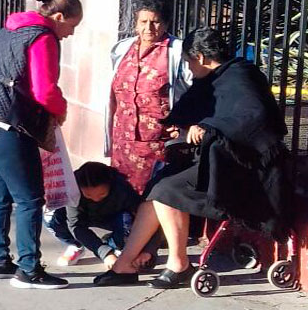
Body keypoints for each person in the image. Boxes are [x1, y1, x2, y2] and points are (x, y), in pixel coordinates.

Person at [94, 28, 294, 289]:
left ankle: (179, 265)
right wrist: (188, 126)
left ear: (199, 57)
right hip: (218, 159)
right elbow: (191, 114)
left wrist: (209, 127)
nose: (188, 68)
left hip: (248, 167)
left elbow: (251, 119)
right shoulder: (212, 79)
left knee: (167, 190)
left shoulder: (240, 76)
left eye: (188, 62)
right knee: (157, 186)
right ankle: (124, 265)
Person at [0, 0, 82, 289]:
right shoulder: (43, 37)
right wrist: (60, 110)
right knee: (29, 199)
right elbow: (44, 90)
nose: (71, 34)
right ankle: (29, 270)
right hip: (3, 124)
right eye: (72, 26)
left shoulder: (11, 27)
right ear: (60, 16)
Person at [106, 0, 192, 194]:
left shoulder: (177, 52)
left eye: (155, 22)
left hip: (156, 140)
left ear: (166, 24)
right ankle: (127, 225)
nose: (148, 28)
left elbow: (192, 89)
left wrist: (183, 123)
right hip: (124, 138)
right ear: (136, 23)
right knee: (122, 191)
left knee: (153, 192)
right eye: (143, 22)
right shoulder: (123, 49)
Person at [44, 162, 159, 269]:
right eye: (88, 195)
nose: (95, 199)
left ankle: (115, 244)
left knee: (127, 221)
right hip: (83, 217)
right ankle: (76, 245)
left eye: (102, 194)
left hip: (113, 217)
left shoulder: (122, 189)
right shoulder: (73, 190)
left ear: (110, 185)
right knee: (51, 219)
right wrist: (105, 254)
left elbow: (148, 220)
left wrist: (148, 250)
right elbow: (76, 225)